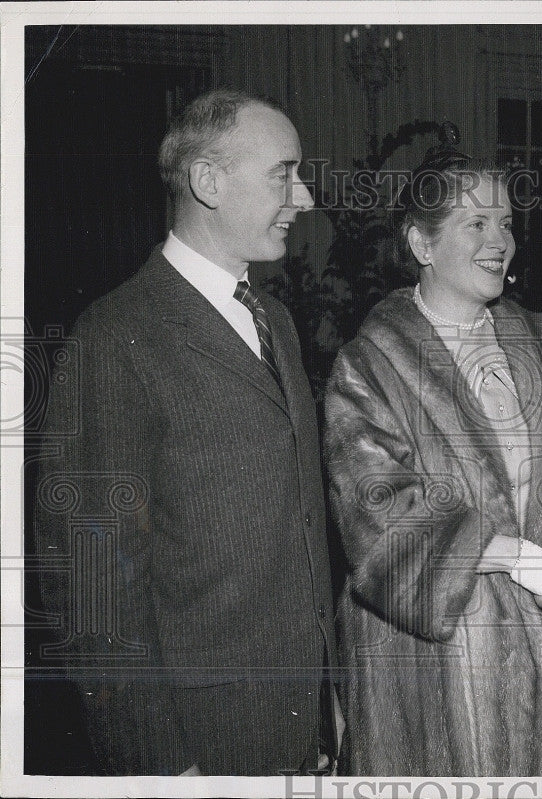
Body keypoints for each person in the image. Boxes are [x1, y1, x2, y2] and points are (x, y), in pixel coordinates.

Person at [33, 89, 339, 775]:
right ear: (208, 180)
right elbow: (93, 587)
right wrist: (160, 767)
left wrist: (329, 701)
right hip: (202, 740)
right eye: (283, 173)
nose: (306, 197)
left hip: (299, 720)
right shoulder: (114, 337)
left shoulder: (276, 321)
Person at [323, 141, 542, 776]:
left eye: (508, 223)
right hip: (437, 660)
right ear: (422, 244)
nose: (502, 241)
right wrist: (522, 559)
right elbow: (377, 512)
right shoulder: (369, 364)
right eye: (477, 223)